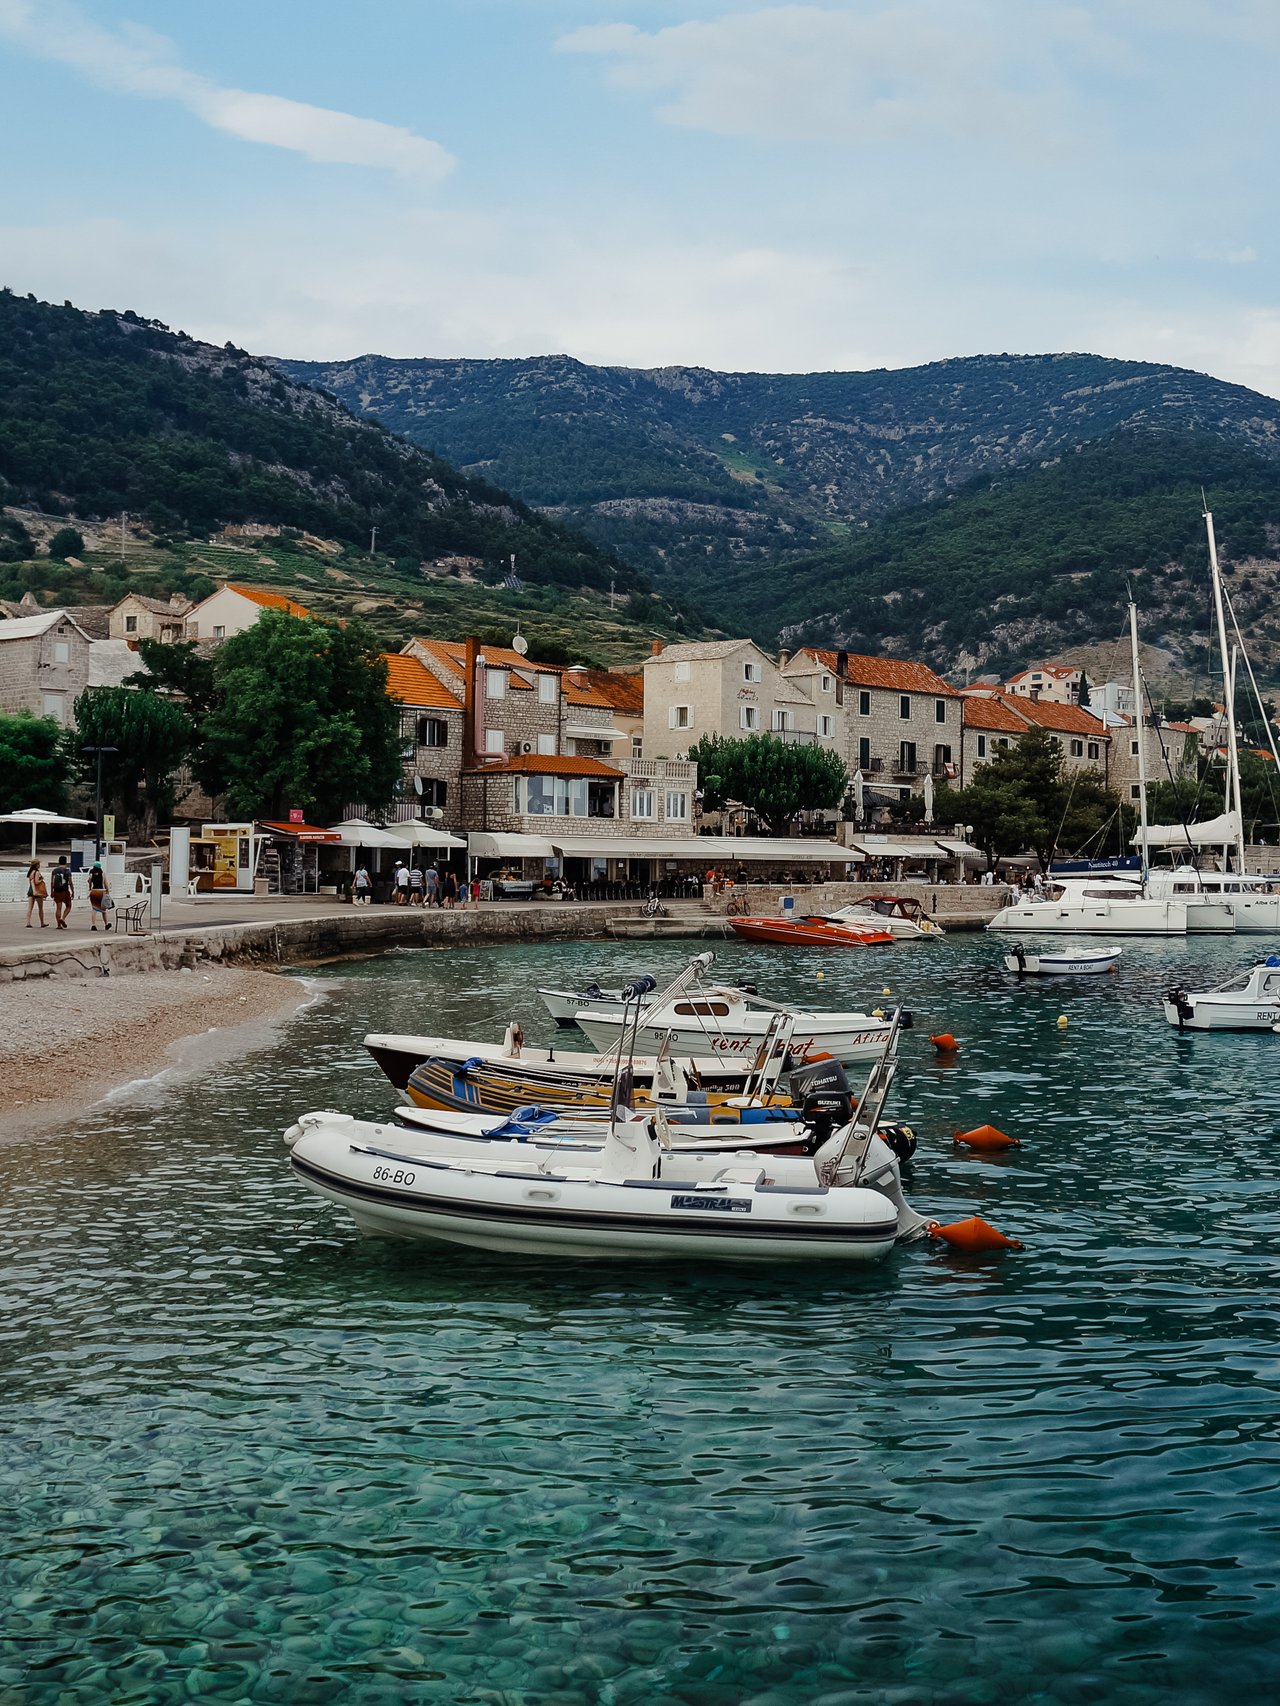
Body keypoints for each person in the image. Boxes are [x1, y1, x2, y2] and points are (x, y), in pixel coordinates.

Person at [50, 855, 74, 929]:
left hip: (57, 891)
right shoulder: (67, 871)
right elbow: (70, 882)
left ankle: (58, 925)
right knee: (69, 906)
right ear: (66, 862)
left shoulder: (54, 871)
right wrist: (73, 891)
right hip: (65, 891)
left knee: (58, 908)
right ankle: (62, 918)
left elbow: (52, 882)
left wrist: (52, 891)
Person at [87, 862, 111, 931]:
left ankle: (93, 925)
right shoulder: (103, 873)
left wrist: (90, 888)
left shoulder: (91, 873)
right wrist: (108, 892)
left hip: (94, 891)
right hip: (101, 891)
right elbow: (106, 883)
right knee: (103, 909)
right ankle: (106, 924)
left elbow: (89, 881)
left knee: (94, 909)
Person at [25, 859, 48, 928]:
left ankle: (28, 922)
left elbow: (31, 881)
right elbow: (36, 882)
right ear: (36, 865)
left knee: (30, 908)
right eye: (38, 864)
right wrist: (41, 879)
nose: (39, 865)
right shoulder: (37, 872)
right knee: (40, 908)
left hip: (30, 890)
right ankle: (42, 922)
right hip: (37, 891)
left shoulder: (30, 872)